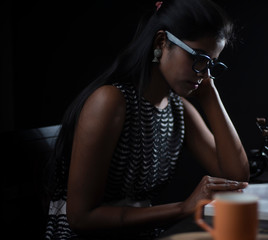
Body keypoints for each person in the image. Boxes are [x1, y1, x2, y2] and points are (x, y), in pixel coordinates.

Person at [44, 0, 250, 239]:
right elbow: (81, 218)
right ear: (162, 42)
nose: (204, 73)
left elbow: (236, 179)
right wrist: (183, 208)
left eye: (212, 64)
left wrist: (210, 94)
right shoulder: (111, 101)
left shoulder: (178, 109)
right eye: (199, 58)